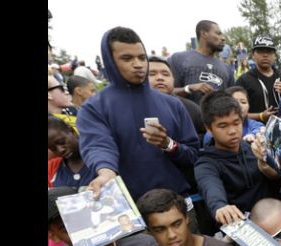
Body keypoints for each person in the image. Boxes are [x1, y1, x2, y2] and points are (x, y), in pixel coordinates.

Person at [77, 27, 200, 206]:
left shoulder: (173, 104)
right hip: (129, 210)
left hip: (177, 205)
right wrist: (106, 172)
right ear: (110, 61)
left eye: (142, 58)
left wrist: (169, 145)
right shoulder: (94, 108)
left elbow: (193, 154)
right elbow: (98, 145)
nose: (138, 64)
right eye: (127, 58)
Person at [195, 91, 279, 226]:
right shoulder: (206, 164)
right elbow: (210, 187)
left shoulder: (254, 148)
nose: (232, 131)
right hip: (240, 228)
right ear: (209, 128)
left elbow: (277, 179)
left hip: (274, 218)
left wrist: (269, 167)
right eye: (223, 126)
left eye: (236, 123)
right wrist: (220, 207)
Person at [235, 35, 281, 125]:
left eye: (269, 51)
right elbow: (235, 113)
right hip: (254, 133)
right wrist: (260, 116)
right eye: (261, 51)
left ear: (274, 55)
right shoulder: (243, 80)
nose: (265, 55)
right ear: (253, 54)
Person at [169, 20, 232, 104]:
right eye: (218, 33)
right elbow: (163, 92)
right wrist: (188, 88)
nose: (223, 38)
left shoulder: (226, 68)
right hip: (186, 116)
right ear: (204, 34)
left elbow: (231, 100)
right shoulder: (178, 58)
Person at [147, 56, 206, 140]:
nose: (160, 78)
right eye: (152, 74)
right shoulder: (132, 106)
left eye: (165, 74)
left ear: (173, 79)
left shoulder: (192, 109)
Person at [48, 116, 95, 188]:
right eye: (53, 148)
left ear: (71, 131)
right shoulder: (51, 168)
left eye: (61, 142)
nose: (60, 150)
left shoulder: (99, 155)